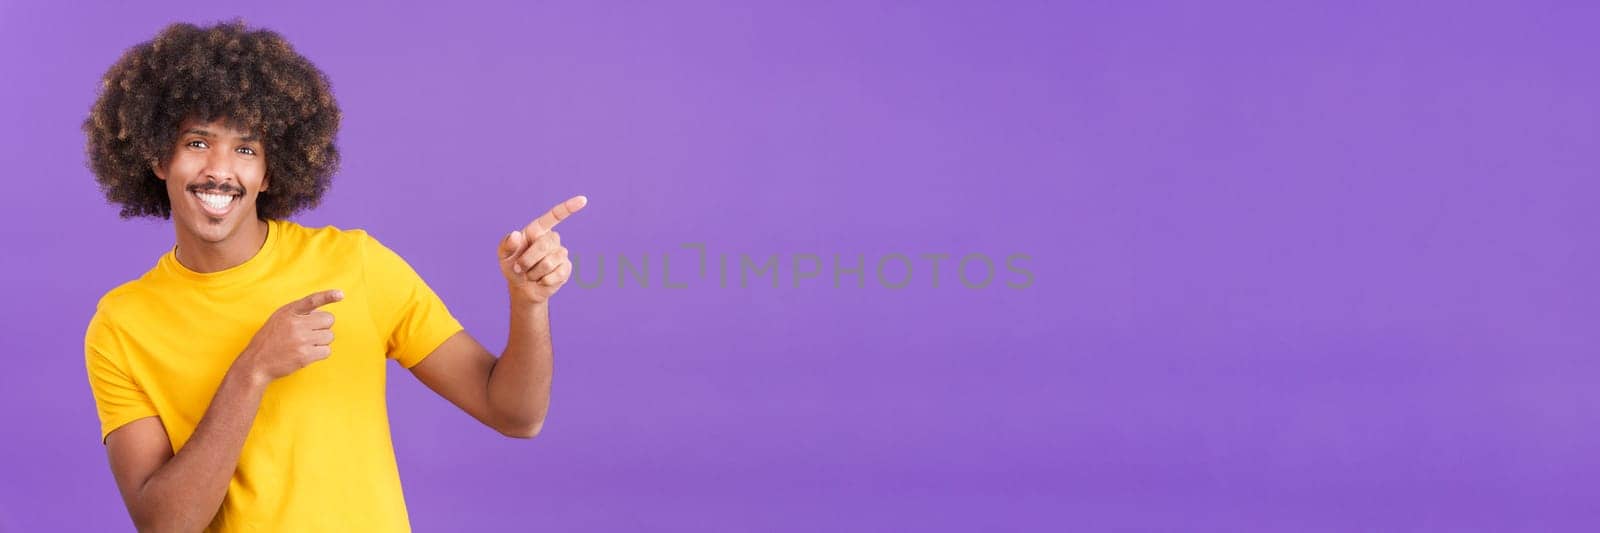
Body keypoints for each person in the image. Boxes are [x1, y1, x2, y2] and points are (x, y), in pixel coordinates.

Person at [81, 20, 584, 532]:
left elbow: (517, 416)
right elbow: (166, 525)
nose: (220, 169)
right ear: (157, 157)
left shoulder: (356, 265)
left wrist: (529, 305)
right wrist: (253, 370)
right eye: (196, 143)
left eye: (246, 149)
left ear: (270, 173)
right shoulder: (123, 324)